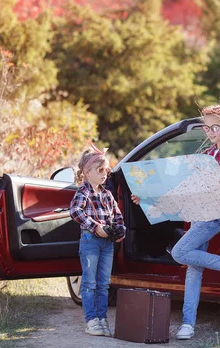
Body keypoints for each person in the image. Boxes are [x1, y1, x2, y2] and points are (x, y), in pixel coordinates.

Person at [131, 103, 220, 340]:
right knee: (193, 271)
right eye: (206, 128)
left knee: (179, 252)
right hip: (198, 213)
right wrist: (147, 196)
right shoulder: (205, 155)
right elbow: (183, 189)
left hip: (217, 214)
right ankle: (188, 324)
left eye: (215, 127)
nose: (211, 132)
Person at [70, 143, 126, 337]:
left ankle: (102, 319)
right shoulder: (84, 192)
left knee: (104, 283)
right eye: (99, 170)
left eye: (106, 170)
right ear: (87, 172)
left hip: (107, 243)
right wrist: (96, 227)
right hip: (90, 241)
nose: (104, 174)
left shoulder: (107, 194)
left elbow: (117, 216)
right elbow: (75, 211)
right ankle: (91, 320)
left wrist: (120, 231)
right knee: (89, 283)